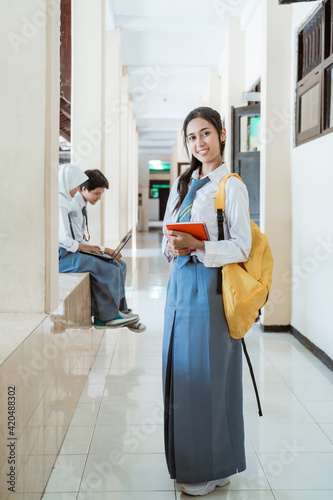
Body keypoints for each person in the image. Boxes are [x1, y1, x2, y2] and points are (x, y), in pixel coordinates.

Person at [162, 107, 252, 496]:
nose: (199, 143)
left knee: (209, 379)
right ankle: (197, 464)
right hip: (179, 289)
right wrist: (172, 248)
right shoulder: (181, 185)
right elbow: (168, 240)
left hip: (210, 292)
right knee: (181, 378)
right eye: (191, 137)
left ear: (221, 135)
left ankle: (210, 468)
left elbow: (242, 246)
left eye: (205, 134)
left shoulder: (230, 185)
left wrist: (199, 246)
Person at [58, 163, 142, 331]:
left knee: (119, 264)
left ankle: (119, 310)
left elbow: (77, 238)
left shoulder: (69, 203)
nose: (75, 191)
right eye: (96, 193)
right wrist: (96, 250)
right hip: (62, 256)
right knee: (106, 267)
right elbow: (65, 239)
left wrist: (102, 250)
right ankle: (106, 317)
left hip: (70, 250)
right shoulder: (66, 204)